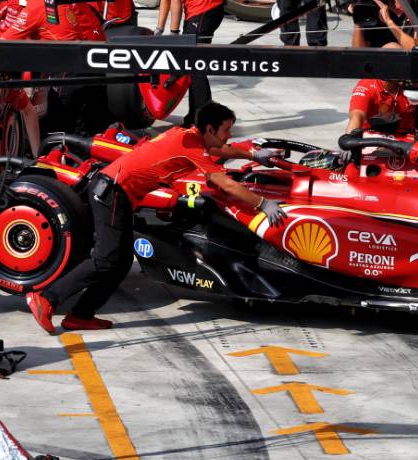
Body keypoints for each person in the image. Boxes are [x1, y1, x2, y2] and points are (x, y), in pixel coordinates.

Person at [26, 102, 287, 334]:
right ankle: (46, 298)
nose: (229, 135)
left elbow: (221, 151)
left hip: (117, 192)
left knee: (119, 261)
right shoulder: (192, 148)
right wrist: (263, 204)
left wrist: (253, 155)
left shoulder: (187, 136)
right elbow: (225, 184)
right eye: (226, 129)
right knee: (106, 260)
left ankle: (80, 316)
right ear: (209, 129)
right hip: (112, 192)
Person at [346, 73, 418, 137]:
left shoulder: (415, 83)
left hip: (406, 140)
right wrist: (350, 140)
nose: (403, 71)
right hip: (371, 139)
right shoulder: (367, 85)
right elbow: (356, 115)